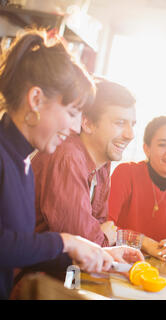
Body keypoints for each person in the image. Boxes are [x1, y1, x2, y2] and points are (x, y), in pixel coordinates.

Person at [0, 29, 143, 300]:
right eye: (71, 113)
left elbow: (20, 253)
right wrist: (67, 241)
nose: (76, 127)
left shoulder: (22, 164)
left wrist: (99, 254)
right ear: (36, 100)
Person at [32, 77, 136, 247]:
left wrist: (99, 234)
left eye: (132, 124)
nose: (130, 134)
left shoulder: (102, 163)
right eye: (120, 123)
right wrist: (102, 236)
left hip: (63, 268)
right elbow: (84, 243)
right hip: (27, 270)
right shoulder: (68, 156)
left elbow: (99, 227)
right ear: (87, 123)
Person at [109, 116, 166, 264]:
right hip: (117, 261)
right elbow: (106, 226)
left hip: (155, 266)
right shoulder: (126, 173)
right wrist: (144, 242)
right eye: (162, 144)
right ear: (147, 149)